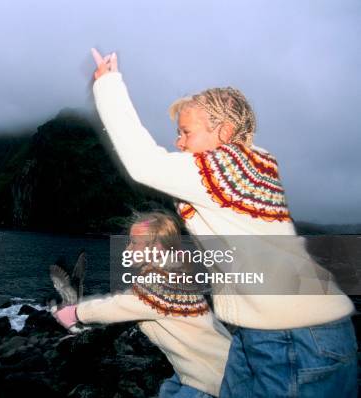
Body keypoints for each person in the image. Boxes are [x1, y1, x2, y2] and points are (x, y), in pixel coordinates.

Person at [83, 48, 357, 397]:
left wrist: (108, 84)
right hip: (267, 332)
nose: (178, 142)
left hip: (294, 336)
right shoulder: (249, 168)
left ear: (224, 132)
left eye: (186, 132)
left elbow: (144, 162)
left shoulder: (226, 167)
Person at [54, 211, 232, 397]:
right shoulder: (172, 274)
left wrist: (75, 313)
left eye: (134, 242)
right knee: (167, 389)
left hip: (210, 378)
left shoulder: (163, 283)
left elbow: (121, 305)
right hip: (200, 369)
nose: (127, 249)